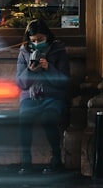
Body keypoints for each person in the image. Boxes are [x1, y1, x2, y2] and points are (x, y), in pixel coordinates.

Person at [15, 19, 70, 174]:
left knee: (48, 119)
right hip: (30, 97)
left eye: (40, 40)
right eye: (33, 41)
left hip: (53, 96)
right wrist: (30, 71)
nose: (37, 43)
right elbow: (20, 83)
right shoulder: (24, 51)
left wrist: (48, 68)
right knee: (24, 119)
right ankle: (26, 162)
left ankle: (56, 159)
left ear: (47, 37)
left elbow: (64, 81)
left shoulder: (58, 50)